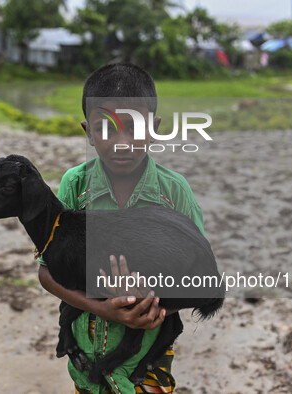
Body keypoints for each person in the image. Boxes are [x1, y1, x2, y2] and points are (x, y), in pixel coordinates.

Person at [38, 63, 206, 394]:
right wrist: (102, 308)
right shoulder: (75, 186)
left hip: (147, 366)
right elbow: (48, 273)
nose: (121, 142)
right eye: (105, 129)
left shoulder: (174, 194)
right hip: (87, 367)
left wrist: (151, 308)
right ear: (87, 131)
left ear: (154, 128)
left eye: (134, 127)